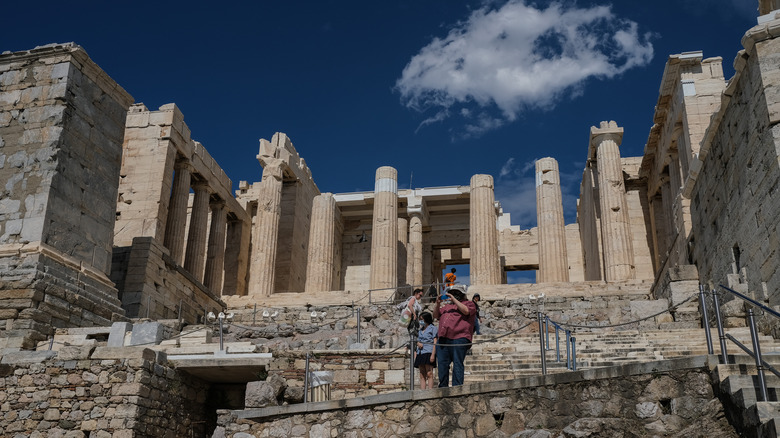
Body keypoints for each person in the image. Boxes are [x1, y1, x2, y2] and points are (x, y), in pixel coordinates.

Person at [433, 284, 476, 387]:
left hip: (459, 337)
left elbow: (466, 311)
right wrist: (437, 304)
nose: (453, 295)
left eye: (456, 293)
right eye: (452, 293)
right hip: (443, 338)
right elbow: (435, 316)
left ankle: (457, 387)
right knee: (442, 365)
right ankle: (443, 387)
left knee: (457, 363)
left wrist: (454, 300)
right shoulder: (447, 307)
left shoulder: (470, 304)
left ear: (462, 294)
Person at [414, 312, 437, 389]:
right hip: (420, 352)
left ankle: (430, 391)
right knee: (422, 373)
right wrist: (418, 343)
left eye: (422, 319)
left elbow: (435, 342)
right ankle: (422, 391)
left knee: (429, 372)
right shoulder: (420, 330)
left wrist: (433, 354)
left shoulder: (433, 328)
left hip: (429, 351)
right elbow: (418, 340)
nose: (420, 321)